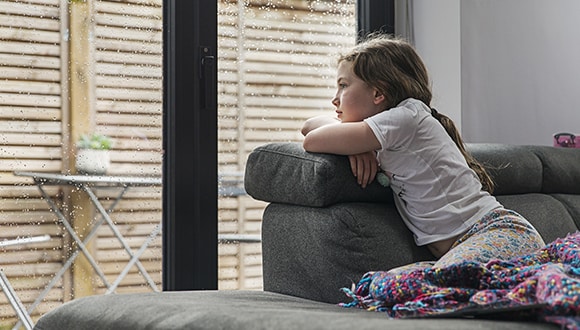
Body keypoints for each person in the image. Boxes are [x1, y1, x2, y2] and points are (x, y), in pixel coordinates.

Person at [301, 33, 545, 269]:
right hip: (472, 245)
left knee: (415, 286)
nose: (335, 99)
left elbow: (312, 139)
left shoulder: (406, 117)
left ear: (378, 93)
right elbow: (309, 127)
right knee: (420, 287)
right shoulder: (388, 130)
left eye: (343, 86)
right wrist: (357, 146)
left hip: (497, 234)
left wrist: (354, 141)